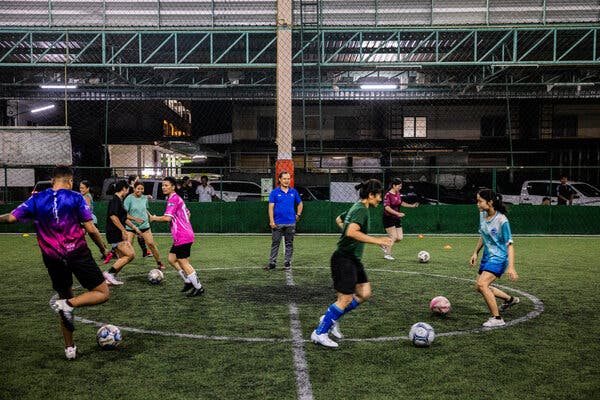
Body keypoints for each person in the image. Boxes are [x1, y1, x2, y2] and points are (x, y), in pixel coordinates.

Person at [0, 165, 110, 360]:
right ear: (70, 181)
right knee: (102, 292)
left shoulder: (36, 198)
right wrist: (103, 249)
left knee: (64, 294)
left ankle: (69, 348)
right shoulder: (76, 197)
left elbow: (10, 218)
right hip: (78, 253)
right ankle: (69, 304)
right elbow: (91, 229)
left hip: (53, 258)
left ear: (52, 180)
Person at [311, 179, 393, 348]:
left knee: (364, 293)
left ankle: (329, 318)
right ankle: (320, 332)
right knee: (346, 298)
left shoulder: (358, 207)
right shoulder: (361, 210)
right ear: (371, 195)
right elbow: (351, 231)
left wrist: (350, 236)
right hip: (344, 259)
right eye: (379, 196)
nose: (380, 199)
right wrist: (378, 241)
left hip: (353, 258)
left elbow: (340, 220)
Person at [469, 189, 519, 328]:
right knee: (480, 287)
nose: (477, 204)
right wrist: (475, 253)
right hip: (487, 256)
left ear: (490, 202)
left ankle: (497, 318)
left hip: (499, 257)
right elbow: (483, 235)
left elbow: (510, 245)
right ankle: (510, 299)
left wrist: (511, 266)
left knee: (482, 284)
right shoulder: (482, 214)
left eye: (480, 201)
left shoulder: (502, 220)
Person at [149, 177, 204, 297]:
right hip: (183, 234)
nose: (163, 187)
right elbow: (188, 213)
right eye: (163, 185)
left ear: (173, 187)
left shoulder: (173, 199)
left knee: (183, 262)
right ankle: (188, 281)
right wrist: (183, 224)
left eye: (166, 185)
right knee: (171, 259)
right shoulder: (177, 198)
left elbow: (167, 218)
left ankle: (198, 288)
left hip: (182, 235)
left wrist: (154, 218)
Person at [103, 180, 142, 286]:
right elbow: (113, 216)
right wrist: (123, 230)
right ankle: (109, 273)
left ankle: (110, 278)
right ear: (124, 189)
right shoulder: (115, 200)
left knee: (122, 257)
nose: (128, 191)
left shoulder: (119, 200)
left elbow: (123, 218)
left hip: (117, 231)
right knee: (130, 254)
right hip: (115, 232)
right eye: (128, 189)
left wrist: (135, 228)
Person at [264, 171, 303, 271]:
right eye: (284, 179)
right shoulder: (274, 192)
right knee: (275, 243)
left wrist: (298, 214)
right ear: (280, 180)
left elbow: (300, 203)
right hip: (277, 223)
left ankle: (287, 262)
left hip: (290, 223)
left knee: (289, 243)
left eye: (288, 179)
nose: (286, 181)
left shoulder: (293, 192)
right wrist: (271, 221)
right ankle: (272, 262)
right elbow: (271, 208)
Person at [124, 181, 165, 270]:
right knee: (128, 247)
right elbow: (124, 215)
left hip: (144, 225)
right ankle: (119, 265)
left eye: (142, 189)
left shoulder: (144, 198)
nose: (140, 190)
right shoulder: (128, 199)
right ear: (134, 189)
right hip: (131, 226)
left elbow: (144, 209)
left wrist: (150, 216)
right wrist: (135, 220)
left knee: (151, 244)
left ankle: (159, 263)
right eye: (138, 188)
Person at [381, 178, 419, 260]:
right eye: (399, 186)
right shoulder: (388, 195)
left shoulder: (398, 193)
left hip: (396, 218)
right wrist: (398, 213)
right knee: (393, 236)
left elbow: (401, 203)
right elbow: (387, 208)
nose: (400, 188)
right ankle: (387, 254)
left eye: (401, 186)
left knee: (399, 238)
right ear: (394, 185)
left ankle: (383, 243)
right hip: (388, 218)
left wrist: (412, 206)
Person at [127, 175, 151, 257]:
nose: (138, 180)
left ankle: (145, 252)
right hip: (130, 220)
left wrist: (150, 216)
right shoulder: (129, 194)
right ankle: (115, 252)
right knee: (128, 241)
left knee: (141, 236)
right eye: (136, 179)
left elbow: (143, 207)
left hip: (140, 222)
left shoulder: (142, 196)